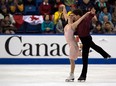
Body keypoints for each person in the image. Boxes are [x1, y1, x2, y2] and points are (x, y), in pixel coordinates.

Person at [75, 7, 111, 81]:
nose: (74, 17)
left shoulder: (85, 20)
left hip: (87, 39)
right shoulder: (77, 22)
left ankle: (83, 76)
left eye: (75, 15)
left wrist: (92, 13)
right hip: (84, 40)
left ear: (78, 15)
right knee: (94, 48)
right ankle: (106, 55)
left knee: (85, 59)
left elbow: (89, 18)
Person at [61, 4, 90, 82]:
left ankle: (71, 75)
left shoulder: (73, 25)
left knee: (71, 60)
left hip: (73, 44)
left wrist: (86, 14)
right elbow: (64, 13)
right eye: (70, 15)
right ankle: (72, 75)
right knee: (71, 60)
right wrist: (64, 7)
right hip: (70, 44)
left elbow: (80, 19)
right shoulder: (67, 22)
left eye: (72, 15)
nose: (70, 15)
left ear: (73, 17)